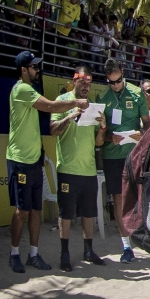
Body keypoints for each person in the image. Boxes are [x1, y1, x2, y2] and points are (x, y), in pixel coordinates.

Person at [7, 50, 85, 273]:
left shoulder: (29, 89)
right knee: (22, 211)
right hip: (19, 160)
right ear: (23, 70)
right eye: (33, 67)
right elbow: (51, 106)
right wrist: (74, 103)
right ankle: (14, 254)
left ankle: (33, 254)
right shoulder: (21, 89)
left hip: (33, 159)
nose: (37, 69)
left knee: (35, 210)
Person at [50, 65, 105, 271]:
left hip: (88, 170)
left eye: (89, 83)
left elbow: (98, 142)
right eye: (83, 82)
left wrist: (103, 127)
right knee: (65, 214)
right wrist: (71, 115)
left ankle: (88, 251)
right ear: (74, 81)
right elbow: (53, 130)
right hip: (68, 168)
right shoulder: (62, 101)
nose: (86, 86)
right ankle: (65, 254)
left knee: (88, 213)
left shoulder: (92, 106)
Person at [97, 57, 150, 263]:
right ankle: (126, 246)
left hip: (134, 155)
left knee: (141, 198)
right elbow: (100, 132)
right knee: (118, 200)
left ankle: (148, 242)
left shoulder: (137, 94)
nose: (115, 86)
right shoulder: (102, 97)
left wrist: (140, 134)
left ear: (123, 74)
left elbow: (148, 126)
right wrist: (110, 137)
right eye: (111, 82)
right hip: (112, 156)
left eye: (118, 81)